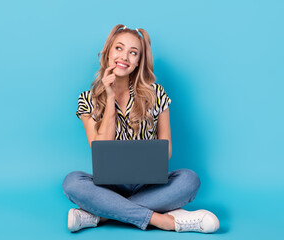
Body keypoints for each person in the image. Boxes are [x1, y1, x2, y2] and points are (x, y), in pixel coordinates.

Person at [62, 24, 220, 233]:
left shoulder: (156, 93)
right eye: (119, 48)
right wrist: (109, 99)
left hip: (149, 185)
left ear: (138, 62)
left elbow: (167, 151)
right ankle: (163, 220)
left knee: (189, 180)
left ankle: (102, 214)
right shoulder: (87, 100)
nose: (124, 57)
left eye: (133, 53)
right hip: (108, 187)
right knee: (72, 182)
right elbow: (100, 149)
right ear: (108, 52)